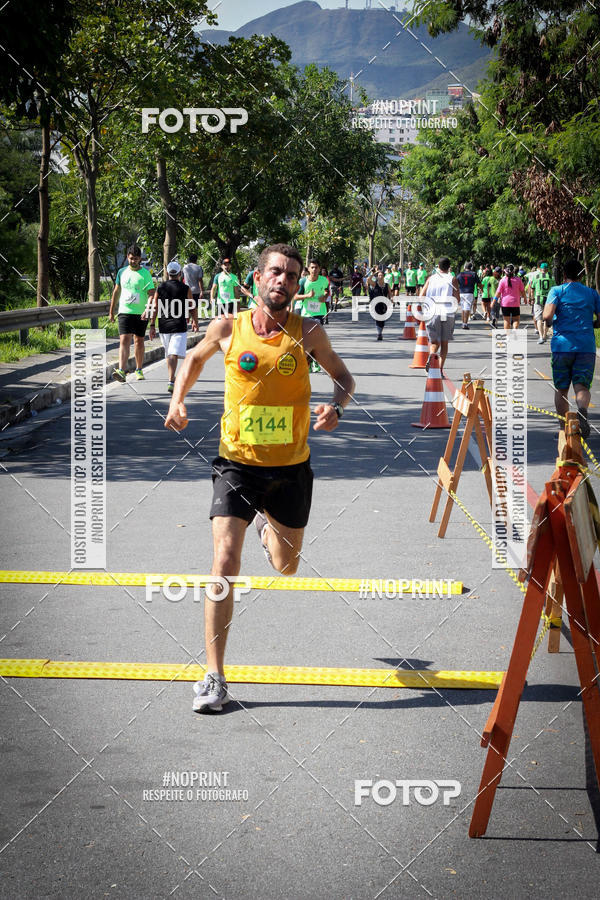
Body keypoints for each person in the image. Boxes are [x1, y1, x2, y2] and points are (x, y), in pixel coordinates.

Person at [164, 244, 355, 712]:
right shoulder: (229, 327)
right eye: (275, 272)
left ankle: (270, 527)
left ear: (297, 285)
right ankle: (214, 676)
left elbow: (345, 380)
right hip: (237, 465)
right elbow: (193, 360)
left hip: (291, 468)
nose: (283, 281)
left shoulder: (308, 332)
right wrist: (177, 400)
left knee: (286, 565)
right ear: (256, 278)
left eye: (291, 275)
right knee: (225, 563)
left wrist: (337, 408)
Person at [543, 258, 600, 439]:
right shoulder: (591, 293)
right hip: (586, 346)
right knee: (581, 386)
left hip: (562, 346)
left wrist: (552, 322)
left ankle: (564, 429)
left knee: (561, 389)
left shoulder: (557, 291)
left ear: (564, 274)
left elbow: (547, 315)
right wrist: (592, 324)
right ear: (581, 274)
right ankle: (581, 409)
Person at [149, 261, 198, 393]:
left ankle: (171, 379)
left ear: (167, 273)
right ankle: (171, 380)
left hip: (163, 326)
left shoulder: (160, 288)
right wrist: (195, 321)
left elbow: (155, 307)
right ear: (180, 273)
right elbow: (192, 306)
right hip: (179, 325)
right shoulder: (185, 288)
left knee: (170, 353)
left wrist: (152, 325)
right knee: (172, 353)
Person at [109, 244, 155, 382]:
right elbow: (116, 292)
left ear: (140, 259)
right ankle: (122, 370)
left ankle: (139, 369)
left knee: (139, 341)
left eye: (135, 259)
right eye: (130, 259)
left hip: (141, 312)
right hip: (124, 311)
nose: (133, 261)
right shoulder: (121, 272)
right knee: (124, 340)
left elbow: (151, 294)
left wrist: (147, 309)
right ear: (127, 258)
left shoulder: (145, 274)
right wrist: (111, 311)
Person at [420, 256, 460, 373]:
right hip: (447, 313)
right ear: (449, 267)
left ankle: (432, 356)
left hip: (432, 312)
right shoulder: (452, 279)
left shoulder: (431, 278)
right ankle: (439, 370)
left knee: (434, 342)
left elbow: (421, 296)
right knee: (444, 343)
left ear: (438, 266)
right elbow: (457, 298)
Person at [494, 264, 525, 330]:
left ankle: (508, 337)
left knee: (506, 321)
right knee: (516, 319)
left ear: (505, 272)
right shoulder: (518, 280)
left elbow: (498, 293)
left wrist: (493, 302)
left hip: (505, 303)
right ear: (513, 272)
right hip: (515, 303)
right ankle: (514, 330)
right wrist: (525, 298)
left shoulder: (502, 280)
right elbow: (522, 290)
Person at [531, 262, 555, 344]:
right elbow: (554, 289)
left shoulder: (536, 277)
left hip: (538, 299)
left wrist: (531, 298)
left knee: (539, 318)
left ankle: (541, 337)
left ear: (540, 269)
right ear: (547, 269)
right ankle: (545, 335)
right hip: (548, 300)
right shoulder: (551, 277)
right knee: (546, 318)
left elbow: (532, 288)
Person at [367, 268, 392, 341]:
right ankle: (379, 333)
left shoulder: (387, 285)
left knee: (383, 319)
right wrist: (374, 273)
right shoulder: (375, 284)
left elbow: (390, 294)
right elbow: (368, 279)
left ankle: (380, 332)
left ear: (383, 276)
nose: (380, 277)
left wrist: (391, 301)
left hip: (384, 304)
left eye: (381, 275)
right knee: (378, 318)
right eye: (379, 275)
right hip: (376, 304)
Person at [456, 262, 481, 329]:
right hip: (469, 292)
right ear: (471, 268)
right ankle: (465, 324)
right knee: (467, 308)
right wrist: (481, 289)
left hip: (461, 292)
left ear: (464, 267)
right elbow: (479, 284)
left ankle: (463, 323)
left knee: (463, 308)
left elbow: (456, 283)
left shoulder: (460, 274)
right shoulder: (473, 274)